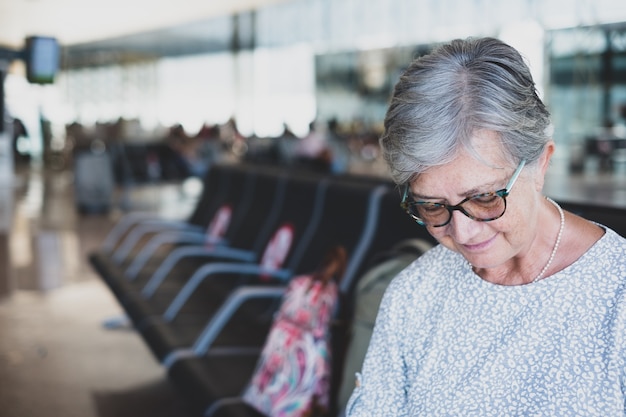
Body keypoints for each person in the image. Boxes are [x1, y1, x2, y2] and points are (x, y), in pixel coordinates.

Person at [345, 36, 626, 416]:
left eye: (484, 198)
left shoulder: (616, 298)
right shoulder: (413, 296)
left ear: (541, 164)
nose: (462, 233)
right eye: (432, 206)